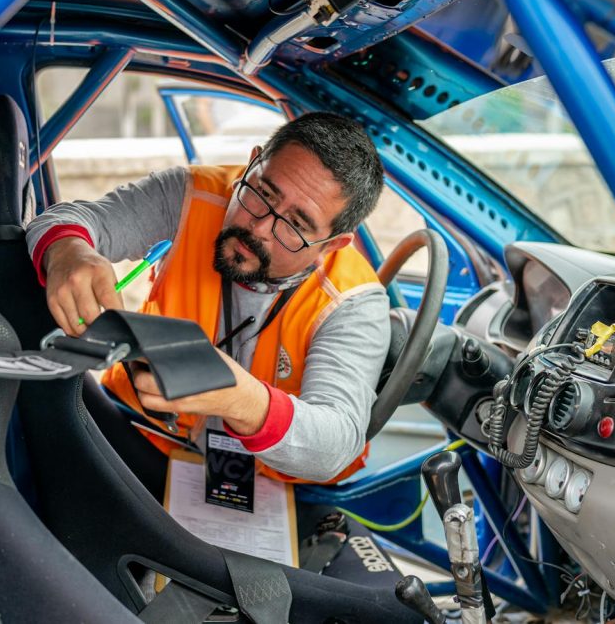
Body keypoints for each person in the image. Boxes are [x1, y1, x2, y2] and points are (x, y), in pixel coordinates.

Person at [26, 112, 389, 486]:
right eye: (263, 193)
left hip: (266, 485)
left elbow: (335, 443)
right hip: (136, 430)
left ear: (331, 246)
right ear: (252, 162)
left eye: (296, 224)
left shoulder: (352, 302)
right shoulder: (191, 194)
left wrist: (238, 400)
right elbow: (71, 218)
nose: (258, 228)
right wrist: (68, 250)